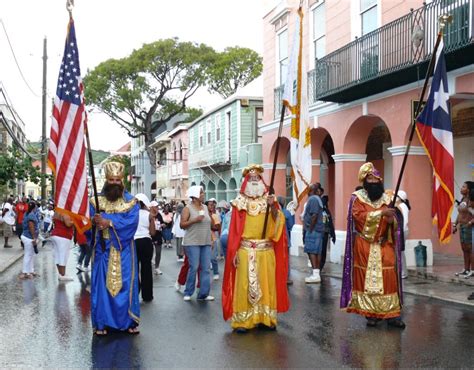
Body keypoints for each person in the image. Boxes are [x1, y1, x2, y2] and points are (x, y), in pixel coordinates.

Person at [222, 164, 289, 333]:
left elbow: (278, 222)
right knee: (244, 285)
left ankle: (265, 318)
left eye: (256, 178)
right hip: (245, 251)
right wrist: (234, 251)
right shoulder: (239, 203)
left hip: (266, 251)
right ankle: (244, 321)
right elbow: (235, 231)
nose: (254, 180)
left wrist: (273, 206)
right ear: (245, 181)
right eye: (250, 178)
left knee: (267, 285)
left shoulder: (270, 201)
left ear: (261, 180)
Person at [341, 162, 405, 329]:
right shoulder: (357, 198)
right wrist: (381, 214)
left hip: (385, 243)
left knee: (389, 278)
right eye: (370, 179)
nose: (373, 181)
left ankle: (392, 314)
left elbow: (396, 222)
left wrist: (392, 221)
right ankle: (371, 314)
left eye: (376, 179)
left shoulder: (388, 198)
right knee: (366, 281)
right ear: (365, 181)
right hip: (365, 244)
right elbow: (359, 217)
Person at [89, 161, 140, 336]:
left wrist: (109, 222)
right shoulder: (96, 201)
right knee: (102, 288)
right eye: (112, 180)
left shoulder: (131, 202)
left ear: (122, 180)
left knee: (126, 285)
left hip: (124, 249)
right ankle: (102, 323)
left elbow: (131, 224)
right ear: (106, 180)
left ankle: (128, 322)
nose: (115, 183)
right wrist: (93, 222)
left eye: (118, 180)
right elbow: (87, 225)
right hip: (102, 251)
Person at [180, 185, 214, 301]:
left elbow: (209, 225)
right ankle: (188, 292)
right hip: (192, 242)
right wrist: (195, 220)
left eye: (203, 192)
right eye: (201, 193)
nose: (203, 194)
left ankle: (203, 294)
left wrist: (211, 239)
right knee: (194, 267)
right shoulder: (187, 208)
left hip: (206, 242)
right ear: (194, 196)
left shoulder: (205, 207)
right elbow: (182, 225)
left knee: (205, 268)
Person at [134, 193, 157, 302]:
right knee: (146, 268)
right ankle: (147, 295)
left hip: (134, 242)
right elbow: (152, 232)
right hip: (146, 242)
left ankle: (134, 292)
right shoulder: (149, 215)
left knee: (134, 269)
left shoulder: (131, 214)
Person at [303, 183, 325, 283]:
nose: (307, 190)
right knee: (317, 251)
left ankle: (315, 274)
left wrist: (310, 228)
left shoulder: (313, 199)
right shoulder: (318, 199)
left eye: (309, 189)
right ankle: (316, 273)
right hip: (318, 230)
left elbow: (314, 215)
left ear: (312, 190)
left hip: (313, 230)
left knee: (311, 251)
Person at [453, 181, 474, 278]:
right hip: (461, 227)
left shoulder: (471, 200)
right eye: (462, 186)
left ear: (468, 190)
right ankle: (466, 269)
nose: (461, 188)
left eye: (464, 187)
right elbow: (460, 213)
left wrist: (470, 222)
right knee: (464, 249)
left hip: (468, 227)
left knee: (470, 249)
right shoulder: (463, 199)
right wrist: (455, 224)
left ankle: (472, 270)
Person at [50, 211, 75, 281]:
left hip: (56, 234)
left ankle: (60, 274)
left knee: (58, 255)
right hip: (63, 235)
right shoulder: (64, 211)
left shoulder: (56, 212)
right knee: (63, 255)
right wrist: (75, 221)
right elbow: (68, 224)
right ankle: (63, 275)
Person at [19, 201, 40, 279]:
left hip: (26, 236)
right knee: (28, 254)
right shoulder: (31, 215)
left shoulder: (26, 213)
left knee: (31, 254)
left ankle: (30, 270)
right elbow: (31, 227)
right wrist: (34, 237)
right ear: (34, 208)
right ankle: (25, 272)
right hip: (29, 237)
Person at [278, 196, 295, 285]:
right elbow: (291, 225)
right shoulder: (286, 213)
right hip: (285, 238)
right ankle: (286, 277)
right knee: (286, 258)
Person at [395, 190, 410, 279]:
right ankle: (400, 271)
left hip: (402, 231)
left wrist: (400, 230)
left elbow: (405, 220)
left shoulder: (402, 206)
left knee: (400, 251)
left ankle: (403, 272)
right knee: (398, 251)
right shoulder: (399, 205)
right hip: (399, 230)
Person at [320, 194, 336, 272]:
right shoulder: (319, 210)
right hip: (319, 233)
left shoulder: (327, 211)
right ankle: (318, 267)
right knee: (320, 250)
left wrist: (333, 234)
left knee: (323, 250)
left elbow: (330, 223)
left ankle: (321, 266)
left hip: (325, 233)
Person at [207, 198, 221, 281]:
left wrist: (210, 217)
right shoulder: (202, 216)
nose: (212, 206)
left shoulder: (215, 216)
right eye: (210, 205)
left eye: (213, 205)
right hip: (203, 240)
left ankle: (216, 272)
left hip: (213, 239)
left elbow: (217, 227)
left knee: (213, 258)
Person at [150, 200, 164, 275]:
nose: (157, 208)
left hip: (158, 235)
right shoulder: (149, 215)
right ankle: (149, 265)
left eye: (157, 206)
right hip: (150, 236)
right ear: (151, 207)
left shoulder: (159, 215)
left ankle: (157, 267)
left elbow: (162, 222)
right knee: (150, 252)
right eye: (155, 206)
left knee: (158, 252)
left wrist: (162, 225)